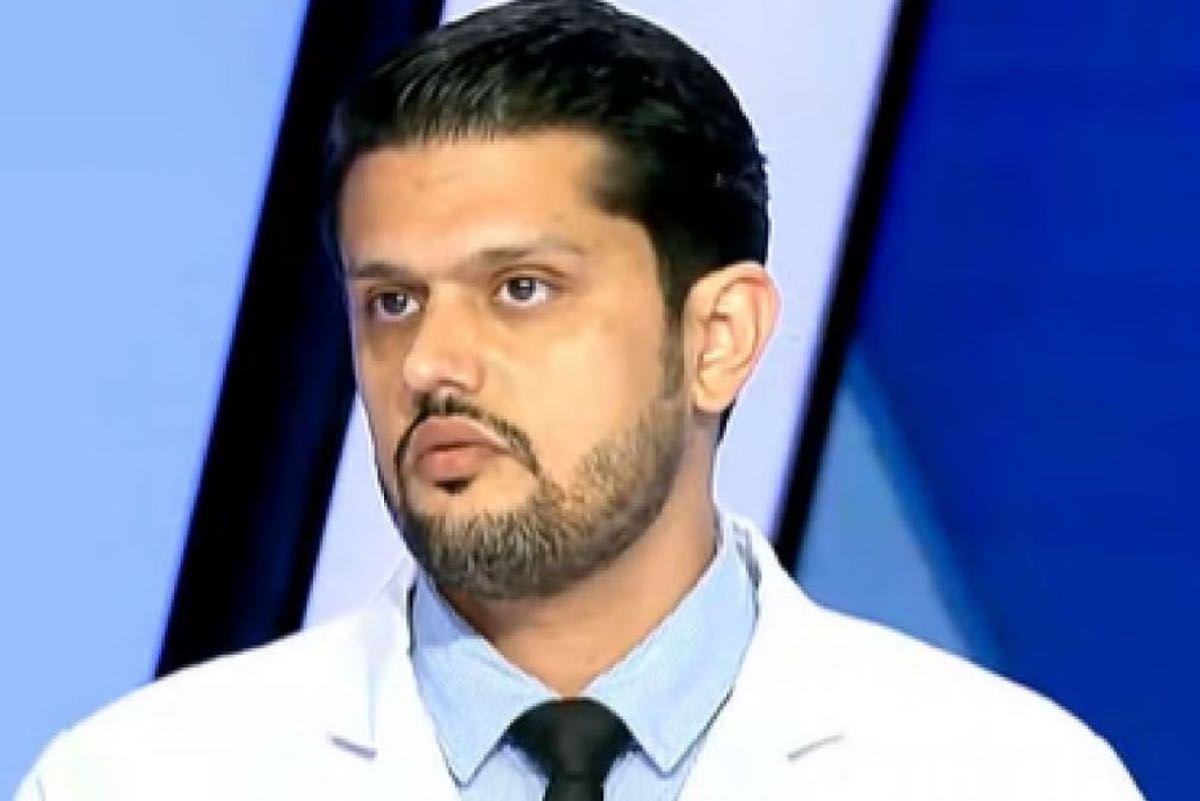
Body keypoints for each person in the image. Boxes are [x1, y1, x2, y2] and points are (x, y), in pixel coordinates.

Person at [17, 1, 1144, 799]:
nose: (431, 363)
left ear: (719, 338)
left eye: (521, 288)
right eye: (393, 302)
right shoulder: (136, 779)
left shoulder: (1011, 779)